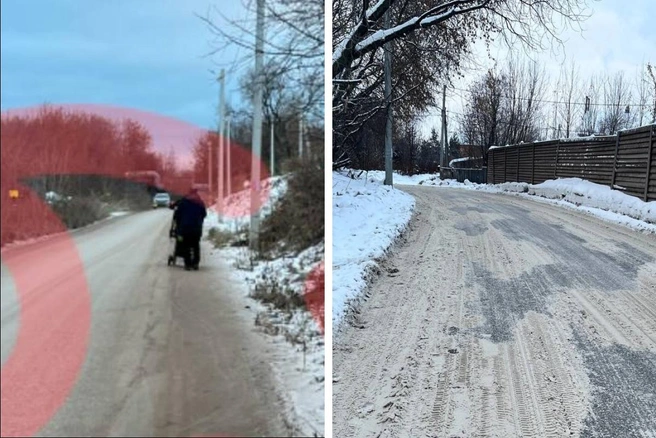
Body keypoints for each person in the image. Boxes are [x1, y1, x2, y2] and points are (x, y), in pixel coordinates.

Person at [171, 188, 207, 270]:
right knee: (195, 245)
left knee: (185, 245)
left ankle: (188, 264)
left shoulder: (183, 202)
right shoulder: (200, 202)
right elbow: (204, 214)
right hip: (196, 228)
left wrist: (179, 224)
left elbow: (177, 215)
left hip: (185, 228)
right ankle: (195, 263)